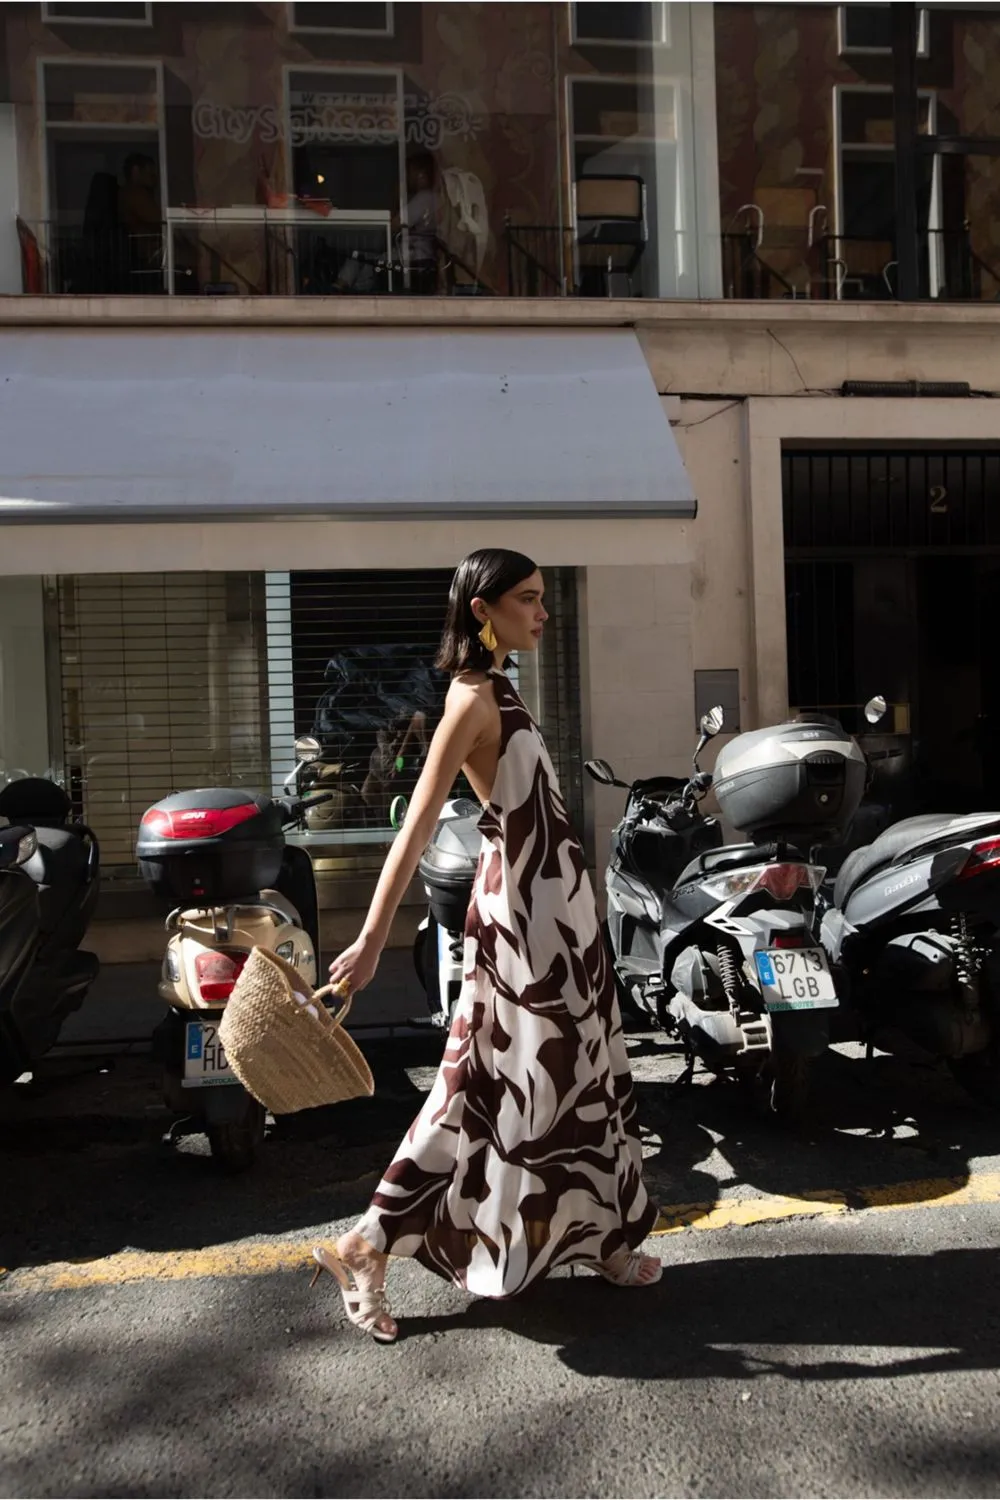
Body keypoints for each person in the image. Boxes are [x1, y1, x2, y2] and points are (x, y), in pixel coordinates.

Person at [310, 549, 661, 1342]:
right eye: (528, 600)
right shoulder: (469, 699)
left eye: (543, 599)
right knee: (495, 1088)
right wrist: (370, 940)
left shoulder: (505, 688)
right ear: (483, 610)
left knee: (577, 1080)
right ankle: (368, 1244)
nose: (543, 613)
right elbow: (417, 822)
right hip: (524, 926)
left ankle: (599, 1238)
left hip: (559, 918)